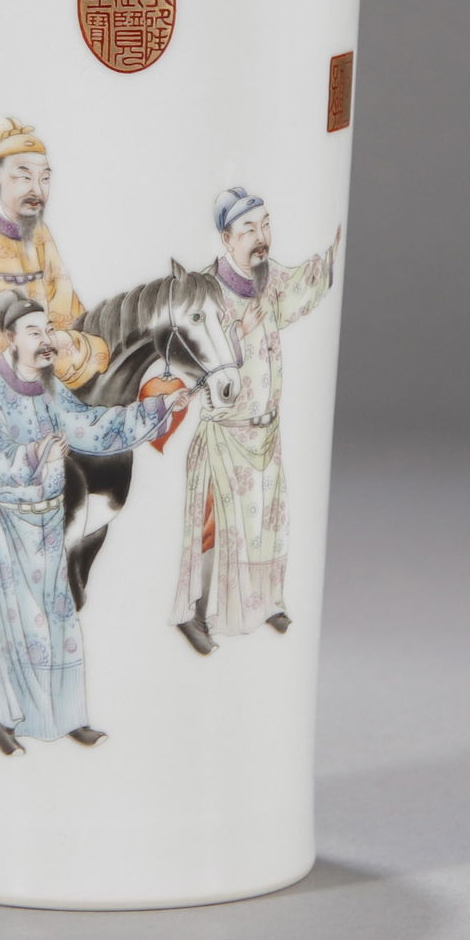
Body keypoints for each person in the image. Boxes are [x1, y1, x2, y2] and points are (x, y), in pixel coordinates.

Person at [0, 295, 189, 754]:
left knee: (58, 625)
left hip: (46, 524)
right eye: (34, 333)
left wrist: (158, 408)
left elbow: (88, 425)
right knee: (14, 627)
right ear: (10, 338)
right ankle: (4, 718)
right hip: (7, 525)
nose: (46, 340)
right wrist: (35, 453)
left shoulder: (48, 383)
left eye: (48, 330)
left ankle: (64, 717)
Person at [172, 187, 340, 653]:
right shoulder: (206, 291)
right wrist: (233, 338)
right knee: (216, 528)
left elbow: (303, 285)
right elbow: (190, 350)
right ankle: (198, 611)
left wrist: (334, 249)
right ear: (226, 239)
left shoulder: (269, 278)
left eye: (265, 225)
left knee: (267, 520)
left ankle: (264, 602)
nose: (261, 237)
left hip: (266, 431)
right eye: (248, 229)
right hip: (227, 433)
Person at [0, 119, 110, 465]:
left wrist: (64, 338)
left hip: (41, 349)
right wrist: (23, 333)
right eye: (24, 176)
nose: (38, 189)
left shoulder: (39, 231)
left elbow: (65, 304)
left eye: (45, 178)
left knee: (100, 354)